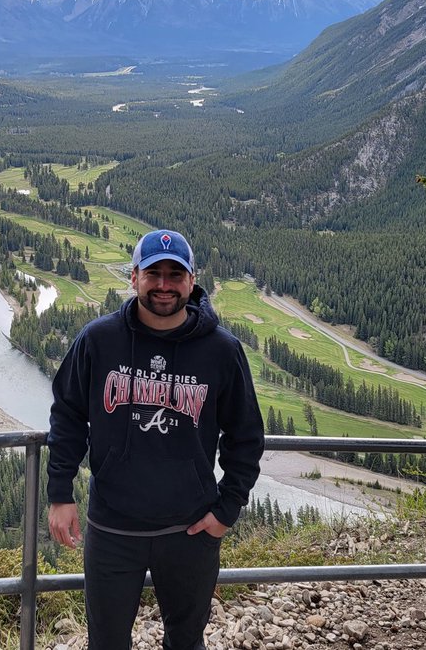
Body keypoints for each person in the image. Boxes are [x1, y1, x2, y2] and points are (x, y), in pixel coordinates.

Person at [46, 228, 264, 650]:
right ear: (134, 278)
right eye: (153, 273)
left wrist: (227, 509)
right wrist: (60, 494)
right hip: (112, 528)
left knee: (185, 642)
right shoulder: (98, 340)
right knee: (106, 643)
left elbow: (246, 436)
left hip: (191, 531)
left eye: (175, 274)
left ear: (191, 280)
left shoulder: (222, 350)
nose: (164, 285)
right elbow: (68, 416)